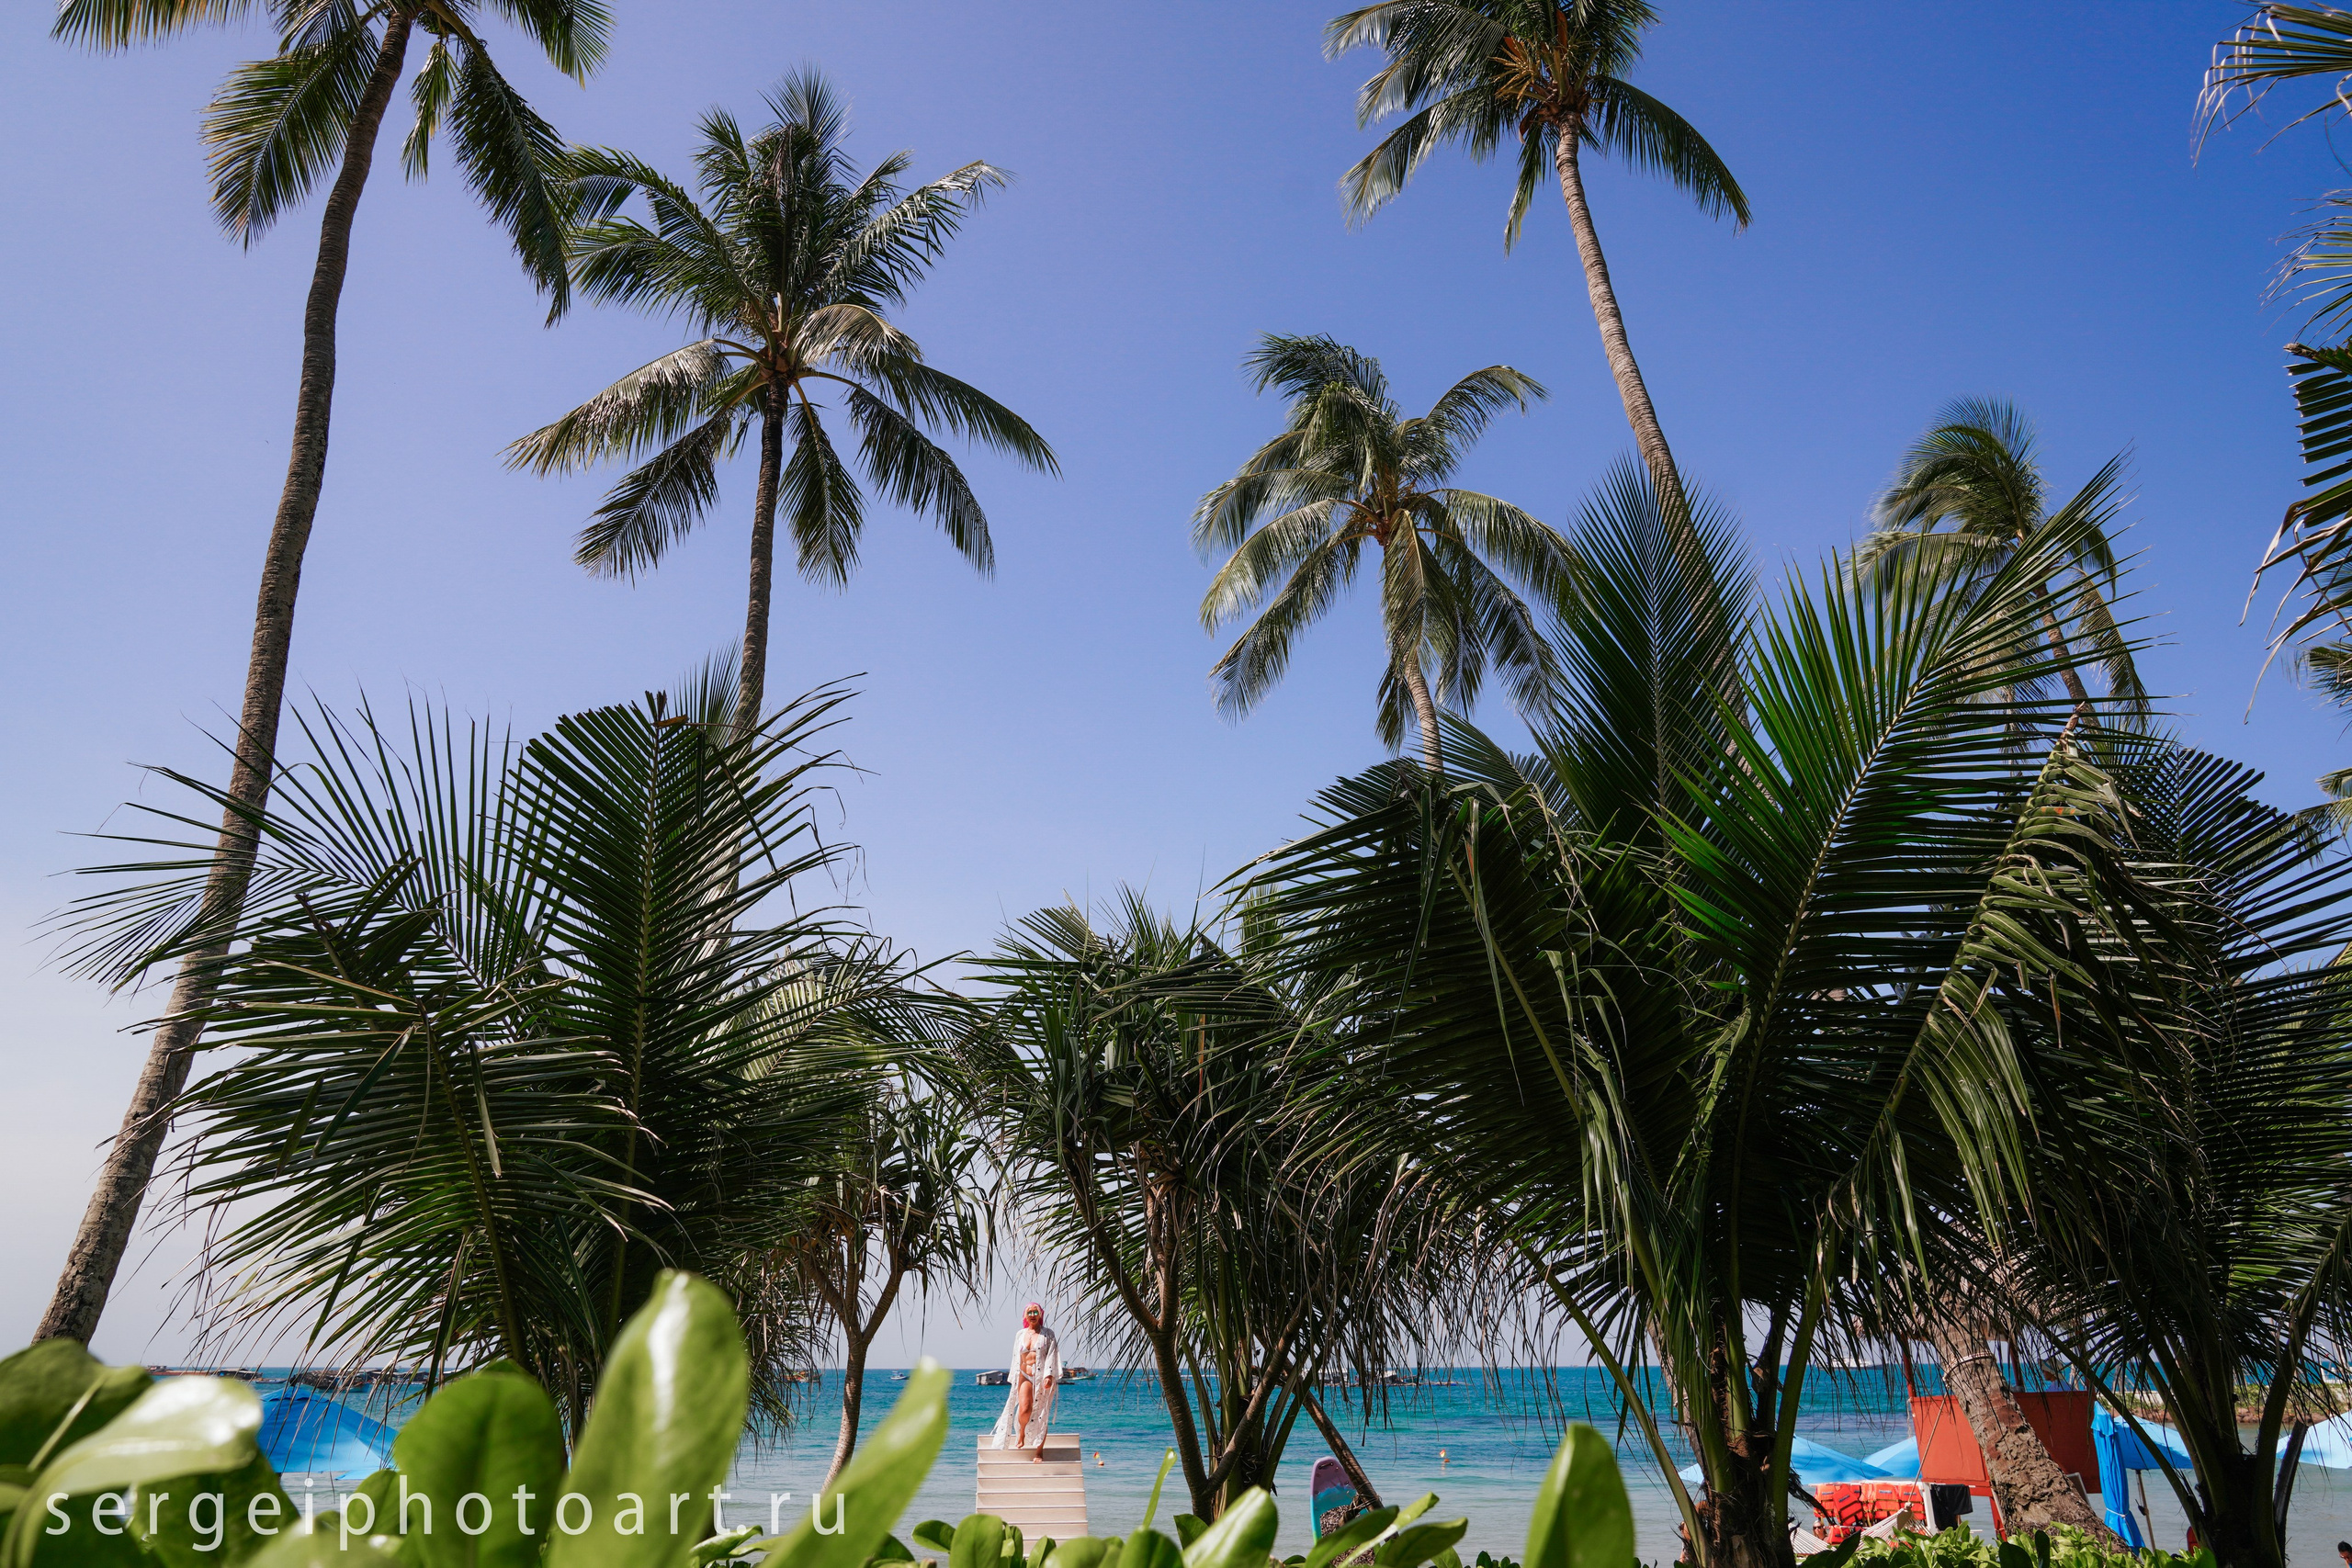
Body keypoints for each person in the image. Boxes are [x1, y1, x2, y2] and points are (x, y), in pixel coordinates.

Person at [989, 1303, 1062, 1460]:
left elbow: (1052, 1354)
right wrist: (1013, 1376)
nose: (1033, 1315)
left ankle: (1039, 1451)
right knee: (1024, 1409)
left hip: (1041, 1376)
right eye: (1029, 1312)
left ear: (1040, 1314)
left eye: (1035, 1312)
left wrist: (1049, 1375)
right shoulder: (1020, 1334)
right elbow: (1015, 1356)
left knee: (1042, 1413)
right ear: (1025, 1316)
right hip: (1024, 1375)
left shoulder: (1048, 1334)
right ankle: (1021, 1431)